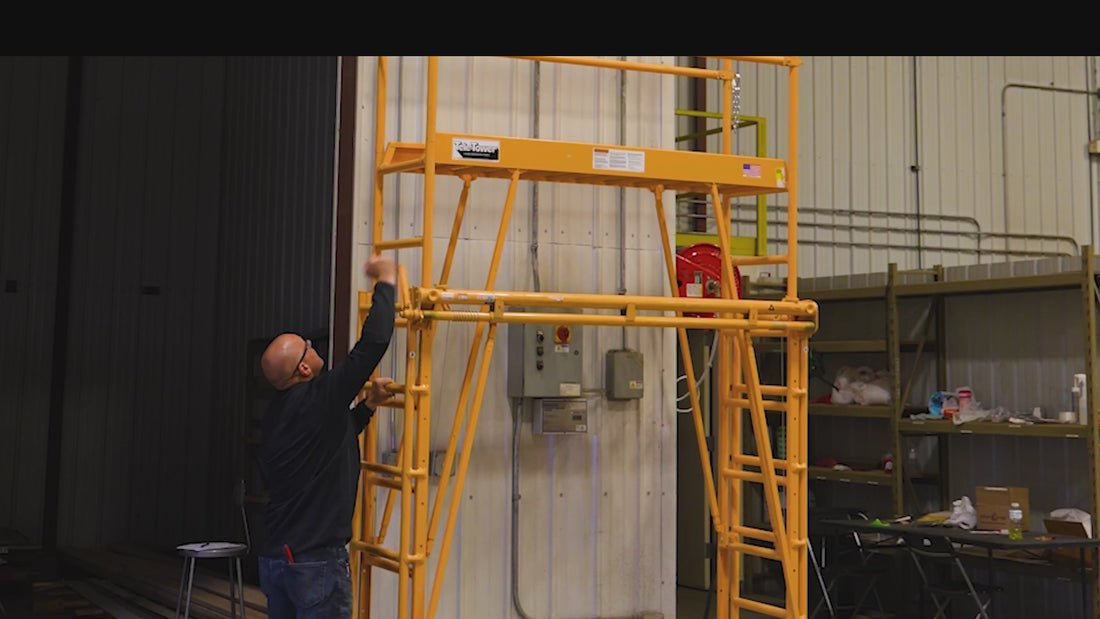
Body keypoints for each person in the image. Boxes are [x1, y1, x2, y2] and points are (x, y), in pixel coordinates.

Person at [257, 254, 397, 618]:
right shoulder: (321, 396)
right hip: (315, 562)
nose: (310, 341)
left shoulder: (277, 414)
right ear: (304, 367)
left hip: (276, 560)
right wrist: (386, 280)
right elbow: (374, 343)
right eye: (307, 345)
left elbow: (328, 441)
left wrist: (367, 405)